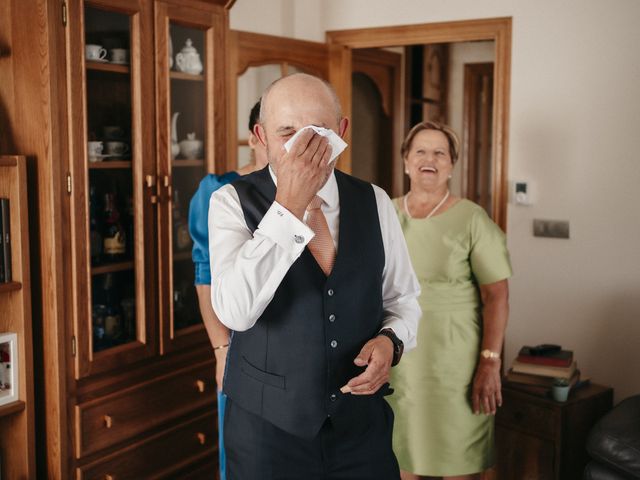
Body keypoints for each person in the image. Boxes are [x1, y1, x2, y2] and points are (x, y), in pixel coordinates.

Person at [208, 73, 422, 480]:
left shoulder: (374, 200)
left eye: (318, 130)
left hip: (361, 430)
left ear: (341, 131)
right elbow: (236, 312)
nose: (302, 145)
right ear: (262, 135)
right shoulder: (230, 203)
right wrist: (288, 205)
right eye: (288, 131)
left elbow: (403, 298)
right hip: (266, 436)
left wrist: (391, 341)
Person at [387, 121, 512, 480]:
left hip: (456, 360)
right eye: (421, 151)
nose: (430, 159)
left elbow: (497, 296)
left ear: (452, 165)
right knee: (402, 451)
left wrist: (490, 362)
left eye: (440, 152)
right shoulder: (387, 214)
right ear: (406, 160)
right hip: (400, 357)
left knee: (460, 456)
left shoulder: (472, 218)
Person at [188, 99, 268, 480]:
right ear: (256, 136)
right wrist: (222, 350)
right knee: (243, 450)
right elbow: (205, 277)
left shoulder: (311, 189)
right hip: (239, 338)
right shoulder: (218, 190)